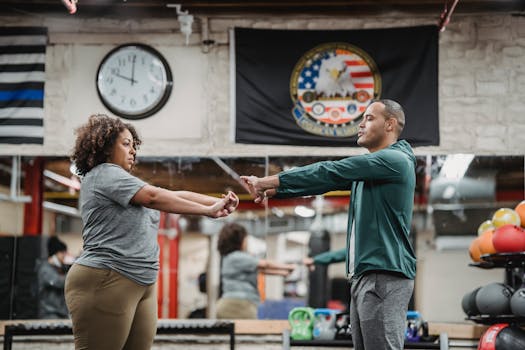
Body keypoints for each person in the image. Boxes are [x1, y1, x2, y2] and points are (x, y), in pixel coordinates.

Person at [241, 99, 417, 350]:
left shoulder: (394, 160)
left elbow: (330, 171)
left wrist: (269, 181)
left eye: (369, 118)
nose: (360, 124)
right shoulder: (371, 173)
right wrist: (275, 191)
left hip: (383, 276)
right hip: (366, 275)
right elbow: (325, 182)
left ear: (389, 124)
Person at [65, 114, 239, 350]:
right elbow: (154, 197)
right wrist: (208, 211)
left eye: (134, 145)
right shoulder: (104, 173)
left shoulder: (127, 184)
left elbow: (174, 195)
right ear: (105, 149)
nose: (133, 150)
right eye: (126, 144)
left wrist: (214, 204)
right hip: (107, 276)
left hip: (141, 281)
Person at [216, 222, 296, 319]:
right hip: (238, 305)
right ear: (239, 240)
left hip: (233, 303)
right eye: (246, 239)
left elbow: (261, 270)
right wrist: (288, 266)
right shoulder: (237, 257)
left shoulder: (228, 258)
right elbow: (265, 264)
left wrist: (282, 273)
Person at [36, 236, 70, 319]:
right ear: (55, 254)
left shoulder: (58, 268)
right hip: (49, 314)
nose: (64, 255)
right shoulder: (45, 269)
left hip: (61, 313)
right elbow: (59, 282)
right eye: (62, 252)